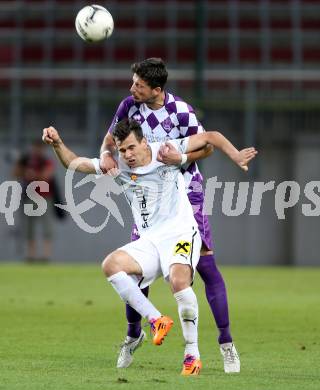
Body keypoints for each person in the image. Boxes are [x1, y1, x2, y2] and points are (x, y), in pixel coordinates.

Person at [42, 120, 257, 375]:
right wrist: (57, 144)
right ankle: (156, 320)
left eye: (132, 148)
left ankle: (192, 354)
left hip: (181, 233)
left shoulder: (165, 151)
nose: (128, 155)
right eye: (122, 150)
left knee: (179, 283)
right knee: (111, 265)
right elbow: (75, 163)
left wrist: (234, 155)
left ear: (144, 142)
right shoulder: (117, 165)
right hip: (150, 241)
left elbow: (211, 136)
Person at [99, 58, 242, 372]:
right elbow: (110, 140)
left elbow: (206, 148)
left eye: (138, 84)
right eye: (133, 82)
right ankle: (134, 334)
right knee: (136, 271)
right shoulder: (128, 106)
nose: (131, 88)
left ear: (156, 89)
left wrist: (180, 157)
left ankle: (226, 343)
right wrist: (105, 157)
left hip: (186, 192)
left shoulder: (181, 111)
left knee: (205, 265)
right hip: (148, 196)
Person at [12, 140, 55, 262]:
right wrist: (22, 168)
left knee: (47, 227)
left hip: (44, 197)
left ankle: (46, 255)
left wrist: (33, 174)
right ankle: (31, 255)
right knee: (29, 228)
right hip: (29, 197)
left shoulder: (46, 161)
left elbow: (47, 176)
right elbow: (15, 173)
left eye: (39, 148)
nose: (37, 151)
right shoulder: (26, 161)